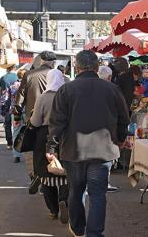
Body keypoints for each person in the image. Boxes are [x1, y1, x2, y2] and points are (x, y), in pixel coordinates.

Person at [48, 50, 130, 237]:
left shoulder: (66, 90)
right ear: (96, 66)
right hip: (103, 151)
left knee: (76, 191)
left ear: (77, 67)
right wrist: (120, 138)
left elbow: (56, 123)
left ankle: (78, 229)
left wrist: (51, 147)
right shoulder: (111, 89)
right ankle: (94, 233)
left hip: (73, 150)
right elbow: (124, 119)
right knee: (98, 194)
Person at [31, 69, 69, 223]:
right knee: (65, 172)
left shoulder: (43, 97)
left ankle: (53, 210)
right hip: (65, 136)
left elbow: (35, 122)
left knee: (46, 175)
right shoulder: (68, 96)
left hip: (45, 136)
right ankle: (64, 200)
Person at [16, 51, 57, 194]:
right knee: (54, 149)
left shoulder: (29, 75)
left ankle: (35, 174)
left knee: (33, 150)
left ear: (41, 60)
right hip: (55, 120)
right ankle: (52, 174)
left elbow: (20, 98)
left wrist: (16, 115)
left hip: (32, 119)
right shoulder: (58, 76)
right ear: (53, 62)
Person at [98, 64, 120, 193]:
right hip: (107, 133)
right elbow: (121, 114)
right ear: (110, 77)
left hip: (85, 136)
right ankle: (104, 183)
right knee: (105, 161)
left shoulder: (86, 88)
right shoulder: (113, 89)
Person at [0, 65, 19, 148]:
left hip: (6, 102)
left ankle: (9, 143)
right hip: (16, 103)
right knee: (16, 123)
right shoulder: (18, 77)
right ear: (15, 68)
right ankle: (16, 142)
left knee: (7, 123)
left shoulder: (3, 78)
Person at [8, 69, 26, 161]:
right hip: (26, 111)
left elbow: (9, 98)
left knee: (16, 132)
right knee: (29, 132)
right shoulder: (27, 85)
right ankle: (29, 153)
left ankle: (16, 155)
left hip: (15, 112)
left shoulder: (13, 86)